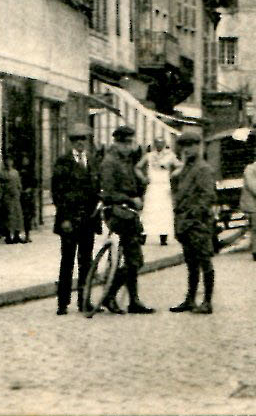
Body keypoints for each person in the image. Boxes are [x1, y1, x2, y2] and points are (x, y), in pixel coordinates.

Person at [96, 125, 153, 314]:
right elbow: (108, 193)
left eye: (131, 142)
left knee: (132, 258)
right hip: (116, 213)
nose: (130, 147)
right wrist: (131, 199)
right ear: (117, 143)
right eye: (126, 143)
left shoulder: (126, 160)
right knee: (135, 259)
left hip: (128, 213)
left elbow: (134, 186)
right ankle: (110, 295)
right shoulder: (110, 162)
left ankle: (133, 300)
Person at [51, 123, 100, 315]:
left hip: (89, 220)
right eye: (76, 139)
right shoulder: (63, 162)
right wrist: (64, 218)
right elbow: (58, 193)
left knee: (86, 262)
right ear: (71, 142)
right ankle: (63, 303)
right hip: (69, 220)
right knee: (67, 261)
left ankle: (84, 300)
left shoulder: (93, 162)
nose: (80, 143)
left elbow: (97, 189)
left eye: (83, 139)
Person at [168, 132, 218, 314]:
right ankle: (190, 299)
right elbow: (178, 191)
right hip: (185, 223)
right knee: (191, 263)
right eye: (184, 146)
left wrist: (192, 215)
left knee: (205, 261)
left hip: (198, 224)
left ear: (199, 146)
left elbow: (207, 197)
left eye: (190, 146)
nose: (187, 149)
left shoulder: (203, 169)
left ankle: (207, 302)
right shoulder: (186, 169)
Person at [140, 137, 178, 246]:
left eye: (161, 143)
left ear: (165, 144)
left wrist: (173, 175)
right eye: (157, 143)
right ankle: (144, 235)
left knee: (164, 211)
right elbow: (137, 167)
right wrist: (143, 178)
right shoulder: (149, 156)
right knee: (149, 211)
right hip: (153, 185)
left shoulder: (170, 156)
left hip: (164, 186)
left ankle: (163, 237)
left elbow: (180, 166)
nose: (159, 146)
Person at [0, 157, 26, 243]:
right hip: (7, 196)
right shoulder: (2, 173)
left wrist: (19, 191)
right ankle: (8, 236)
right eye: (7, 161)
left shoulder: (15, 172)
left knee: (17, 216)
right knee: (7, 216)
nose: (9, 162)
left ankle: (17, 235)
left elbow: (18, 184)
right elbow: (0, 184)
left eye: (10, 160)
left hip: (15, 196)